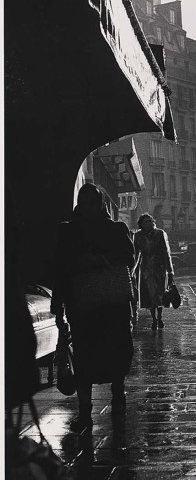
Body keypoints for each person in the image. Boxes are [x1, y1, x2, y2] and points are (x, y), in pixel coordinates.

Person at [51, 183, 135, 432]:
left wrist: (101, 260)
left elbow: (128, 258)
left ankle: (118, 395)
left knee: (115, 352)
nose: (88, 207)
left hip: (111, 304)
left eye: (92, 202)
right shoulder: (67, 232)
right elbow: (59, 270)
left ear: (100, 204)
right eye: (84, 202)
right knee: (84, 357)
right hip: (82, 305)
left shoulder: (115, 229)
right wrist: (58, 309)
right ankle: (85, 412)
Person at [133, 213, 174, 330]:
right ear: (141, 224)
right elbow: (136, 254)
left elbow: (166, 253)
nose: (149, 223)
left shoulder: (160, 233)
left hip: (159, 266)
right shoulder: (138, 236)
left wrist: (170, 271)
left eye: (150, 221)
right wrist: (133, 270)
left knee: (160, 293)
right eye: (146, 221)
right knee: (149, 295)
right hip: (145, 267)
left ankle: (160, 316)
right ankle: (154, 319)